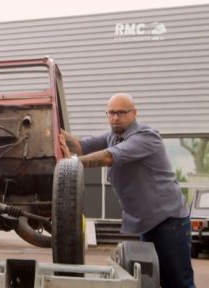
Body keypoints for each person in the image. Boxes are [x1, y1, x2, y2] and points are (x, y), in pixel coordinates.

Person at [61, 93, 195, 288]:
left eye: (121, 113)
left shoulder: (146, 137)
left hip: (169, 223)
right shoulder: (112, 137)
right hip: (147, 224)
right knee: (156, 280)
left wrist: (70, 163)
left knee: (179, 282)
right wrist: (55, 129)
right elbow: (81, 146)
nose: (115, 117)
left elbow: (109, 157)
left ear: (134, 113)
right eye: (111, 112)